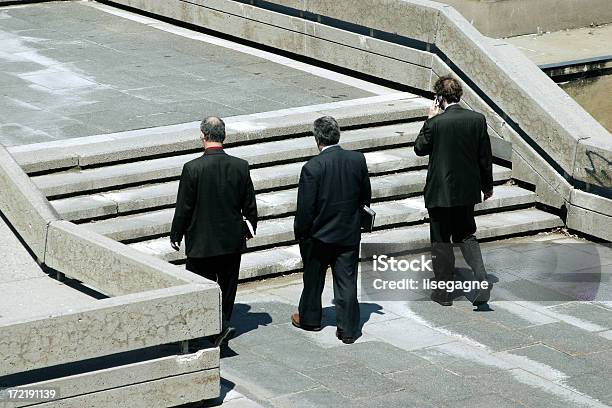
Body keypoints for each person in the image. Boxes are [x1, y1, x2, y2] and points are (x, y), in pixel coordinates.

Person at [170, 116, 258, 346]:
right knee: (228, 287)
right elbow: (249, 204)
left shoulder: (192, 168)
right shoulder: (240, 166)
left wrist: (176, 235)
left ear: (202, 135)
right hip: (231, 241)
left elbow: (184, 207)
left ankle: (206, 327)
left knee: (201, 286)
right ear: (224, 136)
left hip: (202, 242)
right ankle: (222, 324)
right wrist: (249, 229)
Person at [291, 116, 372, 344]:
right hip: (347, 233)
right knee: (346, 281)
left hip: (319, 236)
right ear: (338, 134)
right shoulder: (357, 160)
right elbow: (365, 195)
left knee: (313, 280)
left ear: (317, 139)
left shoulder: (312, 167)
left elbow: (305, 209)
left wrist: (302, 234)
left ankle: (310, 319)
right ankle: (347, 330)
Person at [414, 75, 493, 308]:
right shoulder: (477, 119)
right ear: (459, 95)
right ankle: (481, 278)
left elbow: (419, 148)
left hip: (440, 193)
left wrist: (429, 119)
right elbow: (484, 158)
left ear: (439, 98)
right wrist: (487, 187)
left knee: (441, 240)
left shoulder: (436, 123)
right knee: (467, 234)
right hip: (467, 192)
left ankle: (444, 294)